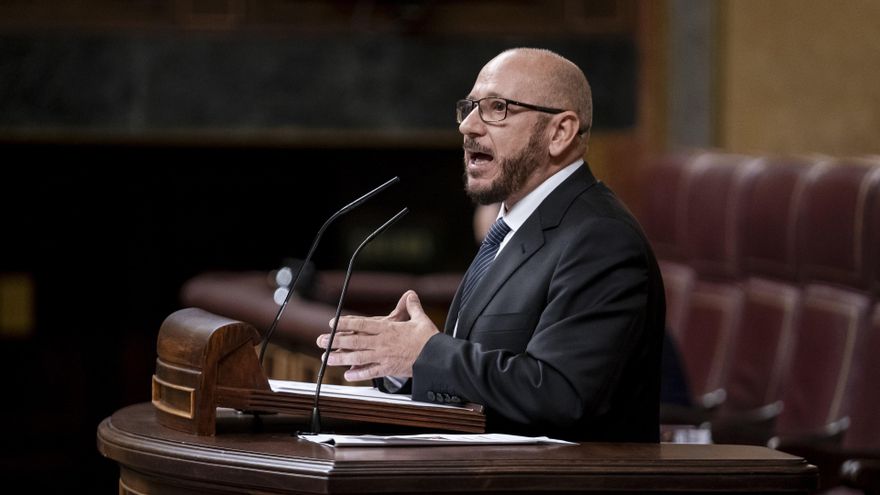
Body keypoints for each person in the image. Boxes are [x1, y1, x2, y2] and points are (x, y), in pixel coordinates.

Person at [316, 47, 666, 442]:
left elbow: (563, 394)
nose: (468, 126)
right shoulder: (512, 227)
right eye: (469, 107)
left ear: (560, 132)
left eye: (497, 108)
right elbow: (486, 381)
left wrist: (426, 354)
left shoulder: (601, 238)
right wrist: (403, 364)